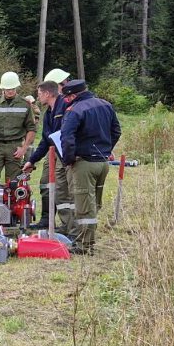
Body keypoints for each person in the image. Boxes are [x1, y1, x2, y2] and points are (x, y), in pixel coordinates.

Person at [58, 79, 121, 254]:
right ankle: (88, 240)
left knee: (84, 206)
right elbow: (116, 130)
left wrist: (68, 160)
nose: (64, 100)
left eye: (66, 97)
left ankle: (83, 246)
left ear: (73, 95)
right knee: (94, 203)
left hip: (84, 163)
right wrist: (106, 149)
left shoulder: (74, 110)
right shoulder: (105, 105)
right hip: (102, 163)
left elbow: (67, 138)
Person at [23, 69, 72, 231]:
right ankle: (46, 219)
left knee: (63, 190)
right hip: (52, 153)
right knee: (45, 184)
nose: (38, 97)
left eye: (39, 93)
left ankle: (68, 225)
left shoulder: (65, 106)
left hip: (65, 154)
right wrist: (32, 160)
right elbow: (46, 140)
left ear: (48, 93)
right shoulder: (49, 112)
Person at [0, 71, 36, 185]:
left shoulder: (25, 104)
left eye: (13, 88)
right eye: (8, 89)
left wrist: (24, 148)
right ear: (2, 88)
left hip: (15, 147)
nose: (10, 91)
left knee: (14, 183)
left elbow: (31, 129)